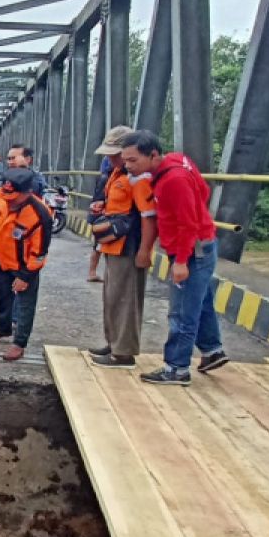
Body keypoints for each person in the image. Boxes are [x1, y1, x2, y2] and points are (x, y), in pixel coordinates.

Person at [120, 130, 228, 385]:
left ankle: (176, 368)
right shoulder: (179, 161)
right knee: (200, 303)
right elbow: (203, 191)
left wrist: (180, 261)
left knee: (181, 311)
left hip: (191, 250)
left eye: (133, 160)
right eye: (125, 160)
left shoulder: (172, 180)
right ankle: (212, 350)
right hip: (202, 242)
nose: (128, 166)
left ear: (153, 155)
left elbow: (188, 224)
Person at [85, 126, 156, 369]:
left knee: (125, 300)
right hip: (113, 246)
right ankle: (114, 343)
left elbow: (148, 217)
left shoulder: (138, 178)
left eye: (116, 154)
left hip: (129, 247)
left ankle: (123, 353)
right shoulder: (117, 174)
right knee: (112, 298)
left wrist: (144, 251)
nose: (111, 158)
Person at [0, 168, 52, 362]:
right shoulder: (0, 195)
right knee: (3, 296)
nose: (9, 200)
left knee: (24, 304)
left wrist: (25, 277)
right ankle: (2, 328)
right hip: (3, 259)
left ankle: (19, 343)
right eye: (6, 195)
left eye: (14, 197)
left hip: (24, 265)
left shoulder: (40, 215)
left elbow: (39, 253)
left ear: (28, 193)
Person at [86, 155, 112, 283]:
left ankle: (92, 272)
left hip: (96, 215)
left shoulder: (102, 177)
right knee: (99, 246)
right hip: (101, 216)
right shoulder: (108, 179)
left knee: (97, 246)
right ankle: (92, 272)